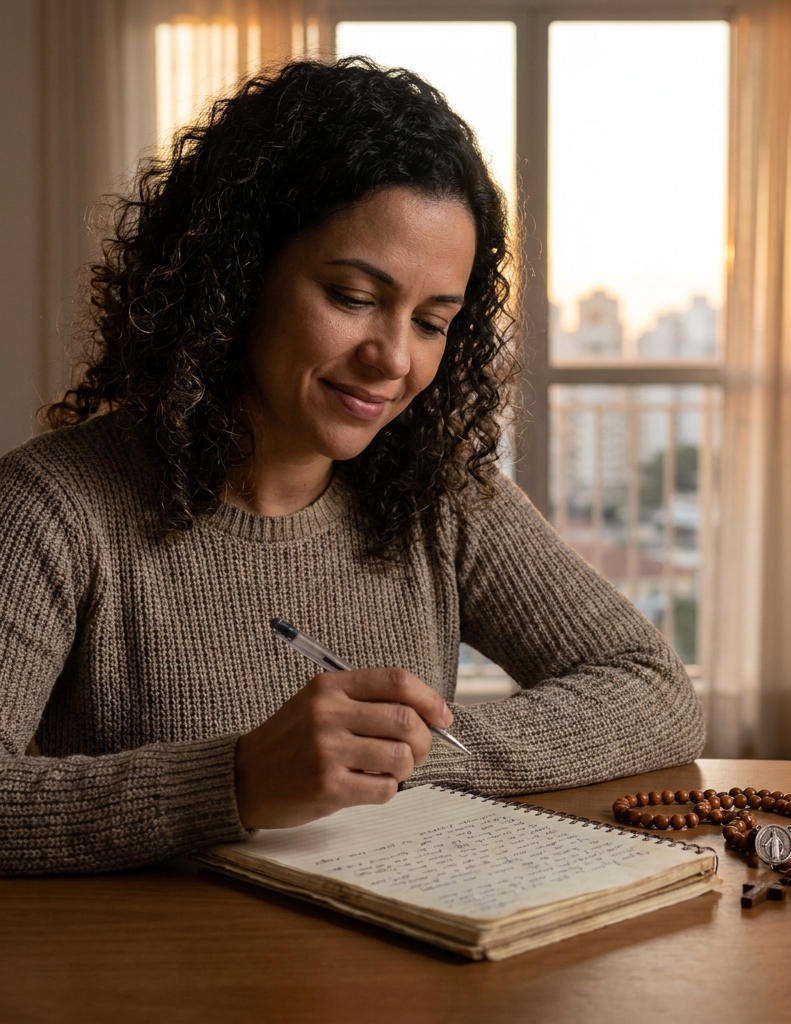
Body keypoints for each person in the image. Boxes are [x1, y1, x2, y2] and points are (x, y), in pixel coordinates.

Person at [0, 58, 704, 874]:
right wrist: (234, 782)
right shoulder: (51, 509)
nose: (394, 359)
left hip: (408, 944)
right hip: (165, 953)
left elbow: (653, 688)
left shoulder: (441, 495)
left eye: (432, 322)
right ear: (237, 274)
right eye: (354, 298)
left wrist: (406, 756)